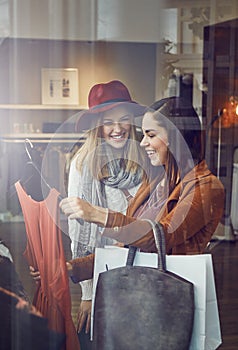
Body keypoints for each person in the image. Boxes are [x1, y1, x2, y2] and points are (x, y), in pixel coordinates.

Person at [60, 96, 225, 283]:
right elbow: (125, 247)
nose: (143, 142)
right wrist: (73, 268)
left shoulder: (206, 188)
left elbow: (161, 236)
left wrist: (100, 215)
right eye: (143, 134)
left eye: (151, 135)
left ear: (176, 137)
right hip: (141, 293)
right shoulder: (156, 181)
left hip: (173, 297)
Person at [60, 80, 147, 348]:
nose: (117, 128)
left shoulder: (146, 158)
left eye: (123, 120)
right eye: (109, 122)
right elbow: (79, 233)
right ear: (97, 127)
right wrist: (87, 294)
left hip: (142, 268)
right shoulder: (82, 164)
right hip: (102, 272)